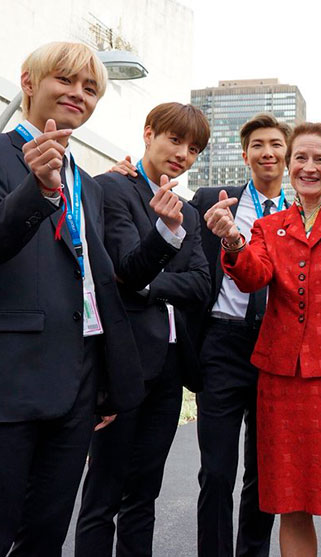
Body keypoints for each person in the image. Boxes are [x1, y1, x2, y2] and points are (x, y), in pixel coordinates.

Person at [107, 112, 288, 556]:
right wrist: (119, 172)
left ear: (287, 155)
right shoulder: (210, 199)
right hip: (220, 346)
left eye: (277, 145)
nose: (268, 153)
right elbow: (160, 206)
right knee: (218, 471)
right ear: (244, 154)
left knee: (263, 473)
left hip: (276, 346)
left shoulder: (299, 212)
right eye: (258, 145)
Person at [204, 122, 321, 557]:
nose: (308, 167)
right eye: (300, 158)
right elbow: (253, 277)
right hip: (280, 383)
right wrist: (232, 240)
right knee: (291, 507)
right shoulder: (269, 226)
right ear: (289, 166)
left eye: (319, 159)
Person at [0, 41, 144, 555]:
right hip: (12, 380)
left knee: (46, 534)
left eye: (90, 89)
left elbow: (96, 279)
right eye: (65, 80)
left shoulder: (89, 182)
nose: (78, 95)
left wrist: (102, 377)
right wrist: (36, 192)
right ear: (29, 82)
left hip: (77, 383)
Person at [74, 102, 211, 556]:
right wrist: (156, 258)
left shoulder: (189, 212)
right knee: (103, 494)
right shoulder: (111, 189)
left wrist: (150, 283)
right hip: (124, 361)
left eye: (193, 149)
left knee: (145, 493)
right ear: (149, 133)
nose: (182, 154)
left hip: (172, 366)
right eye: (174, 140)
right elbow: (124, 268)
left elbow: (200, 284)